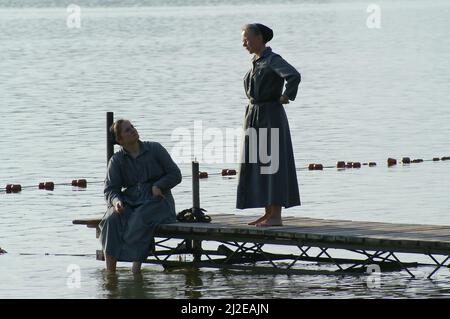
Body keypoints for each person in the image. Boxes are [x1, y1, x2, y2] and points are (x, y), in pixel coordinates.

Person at [237, 23, 301, 227]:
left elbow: (293, 75)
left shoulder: (273, 59)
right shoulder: (256, 61)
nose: (243, 42)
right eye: (243, 38)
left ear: (259, 38)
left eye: (246, 38)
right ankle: (267, 213)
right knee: (259, 163)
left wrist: (286, 95)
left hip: (270, 116)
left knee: (272, 164)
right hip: (254, 116)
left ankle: (276, 216)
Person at [99, 119, 182, 273]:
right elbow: (110, 189)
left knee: (140, 217)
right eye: (127, 130)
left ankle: (135, 270)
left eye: (132, 127)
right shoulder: (116, 160)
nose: (133, 130)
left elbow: (176, 174)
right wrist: (117, 202)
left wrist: (159, 185)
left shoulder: (155, 149)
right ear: (120, 140)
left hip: (158, 202)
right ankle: (110, 274)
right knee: (111, 219)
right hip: (131, 201)